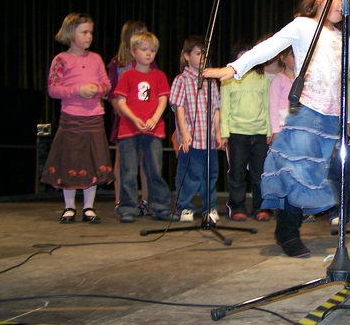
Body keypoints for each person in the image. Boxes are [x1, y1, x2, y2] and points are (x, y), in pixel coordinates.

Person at [204, 0, 349, 258]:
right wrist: (233, 69)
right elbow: (268, 48)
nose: (343, 3)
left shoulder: (340, 37)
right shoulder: (303, 26)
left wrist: (345, 116)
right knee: (297, 173)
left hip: (329, 117)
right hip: (307, 110)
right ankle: (287, 233)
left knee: (311, 175)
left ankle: (288, 228)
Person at [42, 13, 113, 223]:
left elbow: (107, 85)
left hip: (94, 118)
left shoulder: (96, 59)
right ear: (71, 33)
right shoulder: (61, 60)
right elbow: (53, 89)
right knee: (70, 160)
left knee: (92, 161)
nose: (89, 36)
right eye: (84, 32)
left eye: (91, 32)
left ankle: (89, 207)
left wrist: (97, 89)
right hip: (71, 118)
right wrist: (78, 90)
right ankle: (70, 206)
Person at [113, 31, 175, 223]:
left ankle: (161, 207)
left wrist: (155, 119)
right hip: (129, 130)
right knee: (128, 170)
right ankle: (127, 208)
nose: (149, 54)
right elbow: (121, 102)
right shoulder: (127, 76)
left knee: (154, 170)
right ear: (133, 52)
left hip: (153, 129)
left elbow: (163, 99)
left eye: (153, 51)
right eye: (144, 50)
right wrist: (134, 119)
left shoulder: (159, 76)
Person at [169, 35, 224, 223]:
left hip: (208, 139)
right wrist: (184, 134)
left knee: (211, 175)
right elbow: (179, 108)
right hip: (191, 139)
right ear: (186, 56)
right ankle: (185, 206)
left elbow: (216, 108)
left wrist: (218, 132)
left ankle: (209, 207)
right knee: (188, 174)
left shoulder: (211, 80)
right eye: (198, 53)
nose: (203, 57)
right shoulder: (181, 80)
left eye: (205, 54)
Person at [220, 40, 272, 222]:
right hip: (237, 132)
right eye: (240, 57)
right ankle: (237, 207)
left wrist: (269, 131)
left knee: (259, 174)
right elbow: (224, 107)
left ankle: (261, 208)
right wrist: (224, 133)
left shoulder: (262, 79)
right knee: (237, 173)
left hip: (259, 133)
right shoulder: (229, 80)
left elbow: (267, 107)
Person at [107, 20, 152, 215]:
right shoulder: (117, 64)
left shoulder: (148, 63)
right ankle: (121, 200)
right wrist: (120, 108)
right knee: (122, 160)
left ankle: (145, 200)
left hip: (144, 118)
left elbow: (153, 89)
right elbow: (112, 93)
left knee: (145, 160)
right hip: (125, 118)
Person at [329, 71, 350, 226]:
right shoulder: (325, 80)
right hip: (331, 139)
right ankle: (335, 212)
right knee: (334, 178)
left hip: (349, 139)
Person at [268, 47, 295, 140]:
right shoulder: (278, 80)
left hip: (299, 122)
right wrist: (275, 130)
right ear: (283, 58)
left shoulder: (304, 78)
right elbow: (273, 106)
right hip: (283, 123)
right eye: (293, 55)